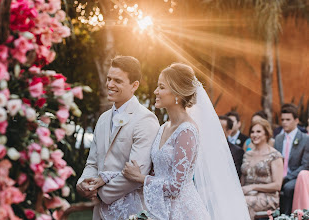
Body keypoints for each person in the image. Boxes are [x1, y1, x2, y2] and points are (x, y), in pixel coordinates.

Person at [122, 63, 250, 220]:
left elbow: (175, 187)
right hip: (161, 209)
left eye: (161, 87)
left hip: (182, 212)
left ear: (177, 93)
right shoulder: (163, 128)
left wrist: (139, 178)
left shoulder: (187, 131)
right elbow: (157, 172)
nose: (155, 91)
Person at [76, 56, 160, 220]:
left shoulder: (145, 120)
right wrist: (84, 184)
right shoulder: (103, 118)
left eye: (118, 81)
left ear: (134, 85)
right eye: (109, 79)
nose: (110, 85)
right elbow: (93, 162)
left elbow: (137, 173)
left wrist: (99, 195)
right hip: (98, 213)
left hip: (131, 212)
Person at [241, 119, 283, 220]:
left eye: (258, 131)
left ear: (267, 133)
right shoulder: (247, 154)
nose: (254, 134)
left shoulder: (274, 155)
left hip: (268, 196)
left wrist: (253, 187)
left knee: (243, 203)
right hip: (246, 194)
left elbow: (277, 185)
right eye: (252, 132)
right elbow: (243, 178)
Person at [274, 105, 309, 215]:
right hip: (278, 176)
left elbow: (305, 165)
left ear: (296, 120)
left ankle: (287, 215)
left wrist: (287, 178)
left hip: (295, 176)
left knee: (288, 188)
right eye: (283, 120)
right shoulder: (278, 139)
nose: (284, 122)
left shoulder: (305, 138)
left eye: (288, 120)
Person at [219, 115, 244, 179]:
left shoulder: (236, 151)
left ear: (229, 132)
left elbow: (234, 176)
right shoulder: (202, 147)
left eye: (220, 128)